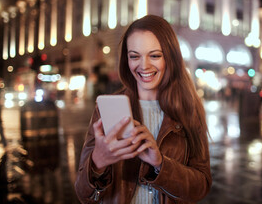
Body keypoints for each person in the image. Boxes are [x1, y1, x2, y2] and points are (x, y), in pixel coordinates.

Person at [75, 15, 212, 203]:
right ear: (126, 59)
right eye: (134, 56)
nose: (144, 65)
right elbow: (83, 194)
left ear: (170, 57)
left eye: (155, 55)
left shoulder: (189, 109)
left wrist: (160, 165)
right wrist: (97, 162)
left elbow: (201, 186)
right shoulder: (106, 108)